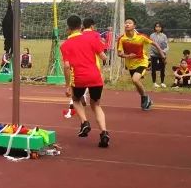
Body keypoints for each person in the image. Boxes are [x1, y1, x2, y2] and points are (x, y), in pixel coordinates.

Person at [60, 14, 111, 148]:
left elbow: (66, 66)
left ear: (68, 28)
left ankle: (85, 122)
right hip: (95, 76)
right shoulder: (91, 39)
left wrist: (67, 85)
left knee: (76, 99)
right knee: (96, 105)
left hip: (79, 77)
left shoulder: (65, 45)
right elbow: (104, 57)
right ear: (81, 26)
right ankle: (104, 132)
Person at [117, 18, 163, 110]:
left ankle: (145, 98)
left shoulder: (141, 37)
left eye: (129, 23)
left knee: (135, 80)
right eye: (126, 23)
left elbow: (155, 44)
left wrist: (162, 55)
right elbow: (119, 54)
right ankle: (145, 98)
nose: (127, 24)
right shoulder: (122, 38)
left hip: (142, 62)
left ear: (134, 26)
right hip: (130, 64)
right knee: (136, 84)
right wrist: (127, 56)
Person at [149, 22, 169, 87]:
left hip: (162, 54)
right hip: (154, 54)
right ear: (154, 28)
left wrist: (163, 52)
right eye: (156, 27)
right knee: (153, 69)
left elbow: (166, 45)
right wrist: (159, 52)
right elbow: (152, 46)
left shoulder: (164, 36)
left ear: (161, 28)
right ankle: (154, 82)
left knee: (162, 68)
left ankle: (162, 82)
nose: (158, 28)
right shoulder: (152, 35)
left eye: (159, 27)